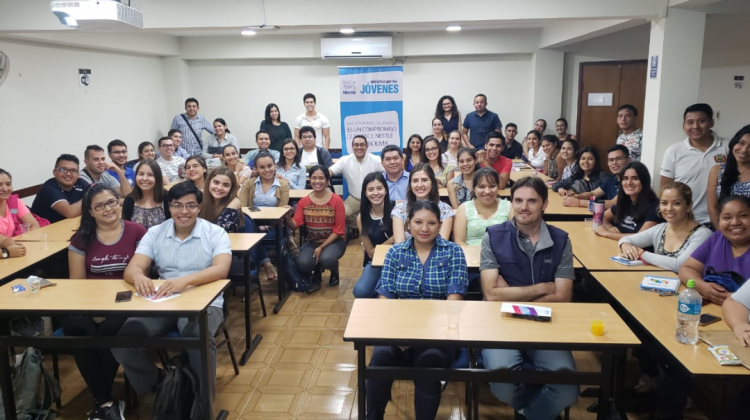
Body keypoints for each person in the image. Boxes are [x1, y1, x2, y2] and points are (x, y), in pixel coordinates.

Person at [113, 182, 231, 405]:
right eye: (177, 205)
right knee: (123, 343)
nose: (184, 212)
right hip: (164, 300)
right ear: (169, 207)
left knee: (197, 336)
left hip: (206, 302)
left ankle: (202, 402)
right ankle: (160, 385)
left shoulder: (215, 233)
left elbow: (221, 269)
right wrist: (140, 277)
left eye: (191, 206)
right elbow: (133, 268)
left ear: (199, 207)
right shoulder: (155, 233)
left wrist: (183, 282)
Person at [480, 176, 579, 420]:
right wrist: (543, 288)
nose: (524, 207)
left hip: (547, 323)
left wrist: (510, 296)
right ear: (511, 202)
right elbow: (491, 295)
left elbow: (563, 297)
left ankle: (529, 413)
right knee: (501, 382)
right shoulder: (492, 236)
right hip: (501, 322)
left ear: (545, 204)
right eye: (519, 200)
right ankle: (537, 409)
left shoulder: (561, 240)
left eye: (532, 201)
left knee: (567, 388)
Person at [367, 200, 467, 420]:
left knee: (429, 364)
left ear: (440, 225)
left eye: (432, 223)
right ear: (408, 225)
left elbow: (454, 299)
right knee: (379, 362)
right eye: (418, 222)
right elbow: (385, 296)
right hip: (397, 331)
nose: (425, 229)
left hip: (437, 334)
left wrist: (421, 335)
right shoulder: (395, 252)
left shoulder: (453, 252)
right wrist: (401, 332)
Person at [66, 184, 146, 420]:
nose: (108, 209)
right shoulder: (81, 238)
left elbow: (143, 272)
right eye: (99, 206)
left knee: (112, 329)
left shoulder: (137, 231)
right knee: (79, 329)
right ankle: (106, 400)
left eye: (111, 202)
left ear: (119, 202)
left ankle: (101, 401)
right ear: (90, 212)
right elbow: (78, 283)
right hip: (90, 302)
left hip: (129, 301)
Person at [618, 182, 711, 272]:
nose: (669, 208)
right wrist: (626, 246)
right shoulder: (661, 228)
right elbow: (625, 239)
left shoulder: (703, 234)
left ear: (689, 206)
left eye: (676, 203)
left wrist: (641, 254)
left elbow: (680, 265)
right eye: (664, 203)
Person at [661, 103, 727, 225]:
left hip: (721, 220)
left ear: (711, 122)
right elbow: (666, 188)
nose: (695, 126)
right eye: (690, 122)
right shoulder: (674, 151)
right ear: (683, 126)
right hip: (685, 220)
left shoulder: (728, 147)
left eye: (701, 121)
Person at [679, 195, 750, 305]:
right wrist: (702, 287)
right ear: (719, 220)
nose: (735, 222)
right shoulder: (717, 238)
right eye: (727, 218)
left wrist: (739, 299)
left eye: (743, 216)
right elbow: (687, 269)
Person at [283, 165, 346, 286]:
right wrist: (287, 216)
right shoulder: (304, 201)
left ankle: (334, 270)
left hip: (334, 241)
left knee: (327, 259)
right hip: (312, 242)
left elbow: (338, 231)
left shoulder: (337, 201)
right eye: (314, 178)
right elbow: (294, 225)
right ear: (310, 180)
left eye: (321, 178)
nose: (317, 181)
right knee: (303, 264)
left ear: (327, 181)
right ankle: (316, 267)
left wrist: (321, 247)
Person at [239, 152, 290, 278]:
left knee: (256, 237)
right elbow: (242, 209)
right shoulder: (249, 184)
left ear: (275, 165)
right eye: (262, 167)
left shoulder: (283, 185)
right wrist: (256, 225)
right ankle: (265, 265)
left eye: (270, 166)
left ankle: (258, 269)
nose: (267, 170)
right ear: (256, 168)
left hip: (275, 226)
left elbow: (281, 211)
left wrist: (266, 226)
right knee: (253, 234)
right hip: (252, 225)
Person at [596, 162, 664, 240]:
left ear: (644, 181)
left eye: (635, 178)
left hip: (637, 250)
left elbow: (640, 238)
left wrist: (608, 234)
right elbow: (602, 217)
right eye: (625, 178)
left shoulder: (654, 207)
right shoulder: (624, 201)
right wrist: (609, 227)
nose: (629, 183)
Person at [353, 173, 394, 298]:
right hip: (375, 262)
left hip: (396, 261)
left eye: (379, 188)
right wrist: (395, 237)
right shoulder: (362, 217)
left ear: (386, 190)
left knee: (384, 295)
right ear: (365, 193)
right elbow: (371, 252)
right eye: (371, 189)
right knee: (360, 292)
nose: (376, 193)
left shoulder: (397, 210)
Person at [329, 135, 383, 229]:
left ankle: (371, 228)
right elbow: (330, 172)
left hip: (374, 198)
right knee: (339, 214)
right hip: (355, 198)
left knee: (384, 216)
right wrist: (324, 179)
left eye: (362, 145)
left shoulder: (376, 159)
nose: (359, 147)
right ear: (352, 147)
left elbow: (389, 172)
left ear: (367, 147)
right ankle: (358, 227)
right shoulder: (345, 160)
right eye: (356, 145)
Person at [392, 163, 454, 242]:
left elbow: (442, 243)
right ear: (410, 184)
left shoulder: (446, 210)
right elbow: (399, 245)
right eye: (415, 181)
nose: (420, 185)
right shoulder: (399, 209)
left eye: (424, 180)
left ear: (432, 183)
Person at [555, 145, 629, 209]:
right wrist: (576, 196)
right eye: (611, 160)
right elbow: (593, 194)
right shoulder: (612, 179)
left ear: (629, 160)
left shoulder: (628, 182)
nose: (614, 163)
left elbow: (613, 204)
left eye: (619, 159)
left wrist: (579, 202)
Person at [454, 168, 511, 246]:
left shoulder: (509, 207)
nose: (487, 191)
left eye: (492, 186)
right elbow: (459, 242)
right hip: (471, 256)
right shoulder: (464, 208)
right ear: (474, 188)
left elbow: (514, 239)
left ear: (498, 187)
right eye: (481, 187)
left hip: (502, 256)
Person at [707, 124, 750, 228]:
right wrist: (723, 234)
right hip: (722, 231)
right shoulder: (717, 170)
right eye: (741, 143)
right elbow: (712, 208)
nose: (744, 150)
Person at [32, 154, 89, 224]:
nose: (68, 173)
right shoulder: (48, 188)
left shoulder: (80, 182)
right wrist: (90, 198)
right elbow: (70, 212)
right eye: (63, 169)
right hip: (45, 230)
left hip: (69, 225)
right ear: (54, 172)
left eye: (73, 170)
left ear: (78, 174)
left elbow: (99, 195)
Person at [122, 159, 171, 230]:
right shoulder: (129, 200)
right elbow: (126, 228)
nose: (144, 178)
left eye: (150, 175)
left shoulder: (167, 197)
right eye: (141, 174)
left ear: (157, 178)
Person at [201, 166, 245, 234]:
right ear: (209, 182)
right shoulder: (201, 198)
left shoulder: (234, 202)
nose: (219, 187)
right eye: (216, 182)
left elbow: (219, 231)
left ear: (231, 188)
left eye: (226, 185)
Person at [0, 168, 40, 238]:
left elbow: (34, 225)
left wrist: (25, 241)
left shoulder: (14, 202)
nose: (5, 189)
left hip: (17, 246)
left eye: (8, 184)